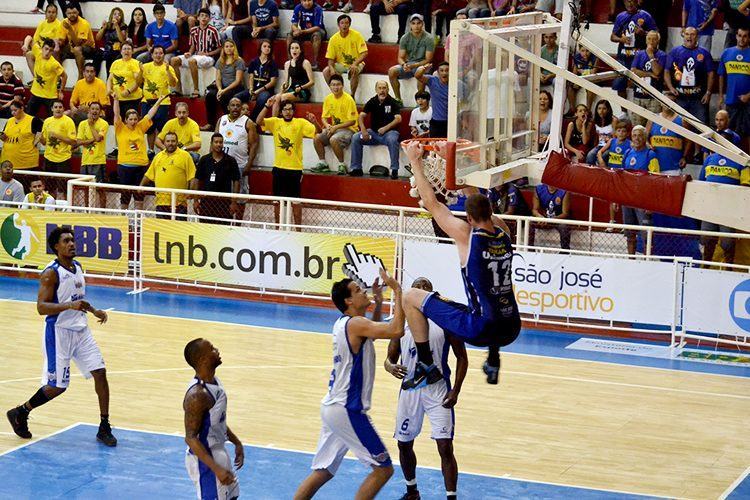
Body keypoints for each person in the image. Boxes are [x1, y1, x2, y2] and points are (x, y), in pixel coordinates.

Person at [400, 140, 521, 387]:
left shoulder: (466, 236)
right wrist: (457, 166)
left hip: (480, 329)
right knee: (492, 302)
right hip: (512, 326)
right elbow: (478, 202)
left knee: (410, 297)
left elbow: (433, 204)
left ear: (468, 217)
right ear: (490, 212)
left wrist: (415, 162)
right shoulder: (505, 232)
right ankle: (494, 358)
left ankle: (425, 364)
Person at [293, 268, 404, 500]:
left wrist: (379, 302)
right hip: (347, 409)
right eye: (357, 290)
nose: (363, 291)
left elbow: (371, 333)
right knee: (383, 469)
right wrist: (398, 292)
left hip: (333, 407)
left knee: (322, 472)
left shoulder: (346, 324)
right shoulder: (354, 325)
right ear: (348, 300)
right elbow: (396, 329)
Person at [6, 226, 116, 447]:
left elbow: (79, 300)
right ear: (56, 246)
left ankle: (104, 426)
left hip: (81, 331)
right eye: (66, 241)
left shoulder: (77, 267)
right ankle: (21, 412)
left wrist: (95, 311)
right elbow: (41, 307)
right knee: (57, 387)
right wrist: (69, 305)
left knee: (100, 373)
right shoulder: (51, 273)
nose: (72, 244)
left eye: (72, 240)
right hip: (59, 333)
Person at [385, 277, 467, 500]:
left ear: (432, 294)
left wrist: (456, 391)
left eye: (425, 287)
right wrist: (391, 367)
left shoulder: (444, 321)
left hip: (438, 390)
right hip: (410, 391)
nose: (420, 290)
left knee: (445, 446)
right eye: (417, 287)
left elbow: (462, 357)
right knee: (404, 444)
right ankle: (412, 492)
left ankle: (451, 497)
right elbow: (389, 358)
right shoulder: (401, 322)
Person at [183, 338, 244, 500]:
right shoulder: (197, 395)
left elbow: (217, 421)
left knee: (231, 497)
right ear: (203, 360)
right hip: (205, 461)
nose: (217, 350)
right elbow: (190, 438)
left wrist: (236, 442)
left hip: (218, 453)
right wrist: (216, 468)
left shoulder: (214, 382)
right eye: (212, 349)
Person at [256, 96, 319, 225]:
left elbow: (319, 131)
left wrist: (314, 121)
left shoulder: (300, 123)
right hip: (278, 168)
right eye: (285, 109)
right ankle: (277, 229)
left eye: (290, 109)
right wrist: (267, 106)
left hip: (295, 169)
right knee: (277, 202)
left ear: (293, 111)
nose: (288, 112)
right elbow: (258, 122)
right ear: (280, 112)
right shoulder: (275, 122)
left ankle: (298, 231)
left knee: (296, 202)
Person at [699, 130, 747, 263]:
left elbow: (745, 187)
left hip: (729, 208)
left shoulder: (741, 161)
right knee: (707, 240)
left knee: (727, 243)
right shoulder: (709, 159)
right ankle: (706, 267)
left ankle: (729, 269)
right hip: (710, 207)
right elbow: (701, 183)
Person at [113, 95, 168, 210]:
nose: (133, 121)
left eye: (135, 119)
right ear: (125, 120)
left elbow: (150, 114)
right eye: (130, 119)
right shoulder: (120, 128)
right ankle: (124, 219)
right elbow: (117, 114)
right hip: (124, 167)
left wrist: (159, 101)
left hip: (141, 166)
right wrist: (116, 100)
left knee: (139, 194)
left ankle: (138, 222)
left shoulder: (140, 127)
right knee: (125, 195)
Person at [350, 81, 402, 179]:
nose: (382, 91)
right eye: (380, 88)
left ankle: (394, 169)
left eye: (384, 88)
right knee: (356, 137)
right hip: (373, 134)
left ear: (388, 89)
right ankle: (356, 168)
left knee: (392, 139)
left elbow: (398, 118)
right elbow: (361, 116)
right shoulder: (372, 101)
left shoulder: (393, 102)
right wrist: (364, 130)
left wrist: (385, 128)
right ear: (376, 90)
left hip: (389, 133)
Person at [217, 97, 258, 218]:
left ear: (241, 108)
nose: (235, 108)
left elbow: (254, 144)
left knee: (240, 198)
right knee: (223, 196)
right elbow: (214, 141)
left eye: (238, 105)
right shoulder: (221, 120)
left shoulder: (248, 122)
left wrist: (249, 164)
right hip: (222, 165)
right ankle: (224, 220)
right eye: (233, 105)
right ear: (228, 107)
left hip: (239, 165)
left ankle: (238, 224)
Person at [665, 27, 715, 126]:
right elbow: (666, 71)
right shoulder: (674, 52)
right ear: (683, 35)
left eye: (692, 34)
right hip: (680, 98)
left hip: (698, 99)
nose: (689, 37)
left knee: (700, 128)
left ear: (697, 37)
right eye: (687, 34)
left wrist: (708, 93)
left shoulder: (704, 53)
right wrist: (670, 87)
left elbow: (711, 74)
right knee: (680, 128)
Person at [140, 131, 196, 219]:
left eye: (173, 141)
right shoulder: (158, 156)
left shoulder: (185, 156)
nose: (171, 143)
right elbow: (149, 175)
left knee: (178, 231)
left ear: (177, 142)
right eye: (168, 141)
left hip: (179, 204)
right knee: (162, 230)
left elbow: (192, 176)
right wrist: (141, 186)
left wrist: (191, 192)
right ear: (164, 142)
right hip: (161, 203)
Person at [620, 125, 657, 254]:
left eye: (640, 135)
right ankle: (631, 261)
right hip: (627, 199)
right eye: (634, 135)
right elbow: (622, 176)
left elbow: (655, 181)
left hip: (643, 200)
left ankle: (647, 263)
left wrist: (651, 203)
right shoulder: (627, 153)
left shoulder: (651, 155)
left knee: (646, 234)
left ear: (645, 138)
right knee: (630, 233)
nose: (637, 138)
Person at [312, 74, 358, 174]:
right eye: (333, 85)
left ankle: (342, 165)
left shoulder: (349, 99)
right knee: (317, 138)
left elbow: (352, 121)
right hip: (334, 128)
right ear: (330, 86)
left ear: (342, 86)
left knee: (333, 139)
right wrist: (328, 126)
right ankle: (322, 163)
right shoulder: (328, 98)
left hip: (349, 129)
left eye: (338, 85)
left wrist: (335, 127)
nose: (335, 87)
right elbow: (324, 117)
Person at [171, 8, 222, 98]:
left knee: (192, 61)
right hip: (196, 55)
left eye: (206, 16)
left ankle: (196, 90)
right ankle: (178, 89)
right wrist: (189, 53)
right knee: (174, 60)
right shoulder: (193, 30)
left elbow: (220, 48)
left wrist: (207, 54)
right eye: (202, 15)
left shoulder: (213, 30)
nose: (204, 18)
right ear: (197, 18)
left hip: (209, 57)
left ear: (209, 19)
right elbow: (193, 46)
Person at [610, 0, 657, 97]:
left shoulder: (645, 16)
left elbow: (656, 35)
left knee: (641, 87)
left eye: (632, 1)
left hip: (640, 58)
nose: (629, 4)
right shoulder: (620, 16)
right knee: (619, 85)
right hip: (623, 57)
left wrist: (643, 33)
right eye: (627, 1)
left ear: (637, 2)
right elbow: (612, 37)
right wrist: (621, 39)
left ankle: (639, 110)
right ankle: (623, 112)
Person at [193, 133, 241, 223]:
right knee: (204, 229)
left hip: (224, 203)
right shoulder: (204, 160)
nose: (218, 144)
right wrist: (195, 200)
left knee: (223, 230)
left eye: (221, 142)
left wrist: (234, 202)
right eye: (216, 142)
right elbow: (197, 180)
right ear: (211, 143)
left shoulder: (231, 160)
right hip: (207, 202)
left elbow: (236, 181)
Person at [389, 14, 434, 104]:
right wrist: (404, 64)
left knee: (421, 71)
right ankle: (398, 99)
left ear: (422, 24)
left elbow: (428, 59)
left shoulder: (429, 38)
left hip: (422, 64)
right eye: (413, 23)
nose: (416, 26)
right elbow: (400, 57)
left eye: (418, 23)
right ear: (410, 24)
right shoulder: (405, 38)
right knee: (391, 71)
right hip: (409, 64)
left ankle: (420, 101)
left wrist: (414, 65)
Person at [141, 45, 177, 153]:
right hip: (146, 101)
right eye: (156, 53)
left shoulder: (168, 67)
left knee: (162, 129)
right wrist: (139, 71)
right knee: (149, 128)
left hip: (163, 102)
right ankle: (150, 150)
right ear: (151, 55)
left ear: (164, 55)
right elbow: (138, 82)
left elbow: (173, 84)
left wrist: (167, 71)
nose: (158, 55)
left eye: (160, 53)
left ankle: (164, 151)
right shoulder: (146, 66)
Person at [718, 27, 750, 151]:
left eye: (745, 36)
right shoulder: (727, 53)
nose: (742, 39)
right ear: (736, 36)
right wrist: (721, 96)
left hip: (748, 103)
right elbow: (721, 75)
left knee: (747, 133)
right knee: (728, 132)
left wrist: (748, 95)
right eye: (740, 35)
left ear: (749, 38)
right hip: (731, 100)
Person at [204, 40, 247, 130]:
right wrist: (219, 89)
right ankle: (210, 123)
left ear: (234, 48)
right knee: (210, 95)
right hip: (222, 87)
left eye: (231, 46)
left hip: (235, 87)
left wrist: (224, 91)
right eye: (226, 46)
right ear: (223, 48)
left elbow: (238, 81)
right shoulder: (220, 60)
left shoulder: (239, 61)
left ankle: (228, 122)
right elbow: (218, 78)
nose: (229, 48)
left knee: (225, 96)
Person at [324, 15, 368, 98]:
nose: (344, 25)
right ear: (338, 25)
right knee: (326, 71)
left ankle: (352, 96)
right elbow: (330, 59)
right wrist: (332, 68)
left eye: (347, 23)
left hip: (356, 63)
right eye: (342, 23)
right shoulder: (333, 39)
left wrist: (355, 64)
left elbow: (364, 53)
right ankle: (338, 93)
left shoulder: (356, 35)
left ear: (349, 24)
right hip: (341, 64)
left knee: (354, 70)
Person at [597, 119, 632, 227]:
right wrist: (602, 161)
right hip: (612, 173)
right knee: (612, 198)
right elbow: (599, 152)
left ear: (627, 133)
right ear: (615, 132)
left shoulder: (629, 144)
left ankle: (623, 223)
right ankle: (612, 221)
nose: (621, 133)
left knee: (622, 199)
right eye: (619, 130)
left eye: (623, 131)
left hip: (623, 174)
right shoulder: (612, 141)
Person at [40, 100, 76, 200]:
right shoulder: (47, 121)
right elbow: (44, 142)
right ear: (52, 109)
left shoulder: (68, 121)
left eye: (60, 107)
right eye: (56, 107)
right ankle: (51, 207)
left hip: (63, 159)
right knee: (50, 188)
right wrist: (40, 138)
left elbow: (73, 142)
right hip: (49, 158)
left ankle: (68, 209)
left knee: (65, 188)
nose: (58, 109)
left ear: (63, 109)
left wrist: (58, 136)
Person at [630, 30, 666, 127]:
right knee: (637, 127)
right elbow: (633, 71)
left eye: (654, 39)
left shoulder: (662, 55)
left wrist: (651, 55)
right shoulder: (639, 54)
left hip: (654, 97)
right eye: (649, 39)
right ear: (646, 41)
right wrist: (649, 74)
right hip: (638, 96)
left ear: (658, 41)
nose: (651, 41)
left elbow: (657, 71)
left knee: (654, 126)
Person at [76, 102, 109, 207]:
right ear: (89, 110)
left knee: (100, 189)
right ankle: (86, 211)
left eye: (97, 109)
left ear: (100, 111)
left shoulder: (104, 124)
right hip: (85, 161)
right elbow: (79, 142)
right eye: (93, 109)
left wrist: (91, 125)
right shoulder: (82, 124)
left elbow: (99, 138)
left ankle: (103, 212)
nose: (95, 111)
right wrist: (91, 140)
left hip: (98, 161)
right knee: (86, 189)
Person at [237, 39, 278, 121]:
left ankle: (252, 120)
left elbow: (273, 82)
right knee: (237, 97)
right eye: (265, 46)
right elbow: (251, 77)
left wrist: (258, 91)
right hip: (254, 88)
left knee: (262, 99)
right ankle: (236, 119)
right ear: (260, 48)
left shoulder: (272, 63)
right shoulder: (254, 61)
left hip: (266, 90)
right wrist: (251, 89)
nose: (267, 48)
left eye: (269, 47)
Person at [22, 4, 64, 79]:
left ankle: (56, 79)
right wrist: (37, 50)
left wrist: (45, 51)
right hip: (40, 50)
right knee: (29, 54)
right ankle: (37, 78)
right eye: (49, 12)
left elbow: (57, 43)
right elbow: (35, 40)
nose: (51, 14)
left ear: (57, 14)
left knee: (54, 51)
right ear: (46, 13)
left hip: (50, 50)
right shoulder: (42, 24)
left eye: (53, 12)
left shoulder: (59, 24)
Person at [646, 99, 687, 175]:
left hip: (674, 167)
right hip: (654, 167)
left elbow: (689, 141)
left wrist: (684, 157)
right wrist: (648, 144)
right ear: (661, 103)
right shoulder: (653, 118)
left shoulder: (681, 120)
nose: (667, 104)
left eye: (670, 102)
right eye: (665, 101)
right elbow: (645, 137)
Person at [275, 40, 315, 116]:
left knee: (283, 97)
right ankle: (275, 121)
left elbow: (312, 82)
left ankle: (284, 119)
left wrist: (301, 87)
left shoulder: (305, 62)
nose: (294, 50)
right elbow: (286, 82)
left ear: (300, 50)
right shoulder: (287, 64)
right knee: (277, 97)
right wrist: (283, 86)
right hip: (292, 89)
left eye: (297, 48)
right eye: (292, 48)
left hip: (303, 92)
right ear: (289, 50)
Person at [28, 39, 66, 117]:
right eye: (46, 49)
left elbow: (64, 76)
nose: (47, 52)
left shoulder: (54, 64)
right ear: (42, 48)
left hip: (50, 95)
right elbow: (29, 38)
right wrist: (25, 45)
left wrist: (61, 91)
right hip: (36, 92)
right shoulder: (38, 53)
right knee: (29, 117)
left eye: (50, 50)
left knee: (52, 119)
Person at [0, 101, 43, 172]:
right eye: (11, 111)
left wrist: (36, 142)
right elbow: (4, 138)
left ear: (22, 108)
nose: (13, 113)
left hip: (26, 162)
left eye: (15, 110)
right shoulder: (9, 121)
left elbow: (42, 132)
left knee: (31, 182)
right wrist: (1, 135)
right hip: (8, 161)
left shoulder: (33, 120)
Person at [530, 183, 571, 250]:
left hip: (558, 219)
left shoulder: (564, 191)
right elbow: (535, 210)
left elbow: (565, 213)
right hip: (544, 218)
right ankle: (530, 248)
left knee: (564, 226)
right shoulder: (538, 189)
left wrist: (551, 220)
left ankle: (565, 250)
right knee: (530, 221)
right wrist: (540, 217)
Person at [108, 42, 143, 119]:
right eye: (124, 49)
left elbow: (138, 81)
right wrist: (109, 90)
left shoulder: (136, 63)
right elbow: (110, 78)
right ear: (121, 51)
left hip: (132, 99)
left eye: (129, 49)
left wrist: (129, 91)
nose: (126, 51)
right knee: (119, 122)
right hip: (117, 98)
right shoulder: (115, 63)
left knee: (131, 122)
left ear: (132, 51)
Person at [288, 0, 326, 70]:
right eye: (304, 1)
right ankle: (290, 60)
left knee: (316, 35)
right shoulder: (298, 8)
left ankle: (315, 62)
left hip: (317, 31)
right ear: (301, 1)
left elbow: (317, 27)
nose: (307, 3)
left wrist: (302, 31)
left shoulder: (318, 9)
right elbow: (293, 24)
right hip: (303, 31)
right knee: (290, 34)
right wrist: (296, 30)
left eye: (309, 0)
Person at [60, 5, 95, 80]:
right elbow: (61, 39)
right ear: (65, 13)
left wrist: (70, 28)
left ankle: (81, 75)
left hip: (88, 47)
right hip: (72, 46)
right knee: (56, 50)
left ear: (78, 12)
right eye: (69, 13)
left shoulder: (84, 23)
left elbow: (78, 43)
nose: (72, 15)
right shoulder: (64, 22)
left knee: (77, 49)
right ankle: (57, 76)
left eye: (74, 12)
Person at [416, 62, 449, 137]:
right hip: (436, 122)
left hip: (451, 122)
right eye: (442, 70)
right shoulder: (432, 81)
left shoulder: (457, 84)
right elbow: (417, 75)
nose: (444, 73)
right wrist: (424, 68)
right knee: (434, 148)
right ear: (438, 72)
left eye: (447, 70)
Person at [94, 7, 127, 76]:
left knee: (110, 55)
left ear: (121, 17)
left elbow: (122, 40)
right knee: (97, 55)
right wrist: (103, 28)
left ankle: (109, 79)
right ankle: (94, 76)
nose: (117, 16)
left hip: (117, 50)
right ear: (111, 15)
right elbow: (97, 38)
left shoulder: (123, 26)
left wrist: (117, 26)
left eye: (119, 14)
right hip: (106, 49)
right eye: (115, 14)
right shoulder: (107, 25)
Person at [586, 100, 617, 165]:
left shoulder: (613, 120)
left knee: (602, 157)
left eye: (604, 108)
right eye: (599, 108)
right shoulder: (595, 121)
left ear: (608, 110)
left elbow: (615, 139)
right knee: (590, 156)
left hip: (610, 147)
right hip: (600, 146)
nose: (601, 111)